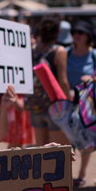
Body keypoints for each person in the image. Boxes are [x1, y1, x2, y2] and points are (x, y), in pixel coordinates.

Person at [24, 16, 70, 145]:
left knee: (41, 151)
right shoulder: (59, 51)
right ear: (58, 31)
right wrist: (68, 106)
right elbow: (63, 81)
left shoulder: (33, 50)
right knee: (58, 151)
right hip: (54, 106)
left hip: (35, 105)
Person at [66, 21, 96, 187]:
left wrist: (92, 79)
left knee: (84, 138)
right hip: (67, 102)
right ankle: (67, 174)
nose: (77, 35)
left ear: (88, 36)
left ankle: (82, 173)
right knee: (67, 139)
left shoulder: (95, 55)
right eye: (75, 32)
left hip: (86, 104)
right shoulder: (66, 53)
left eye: (81, 32)